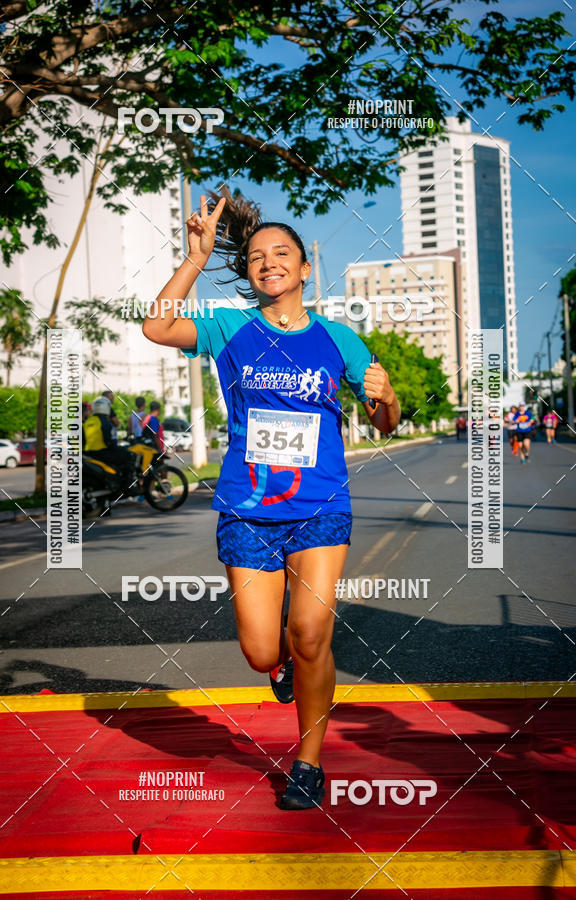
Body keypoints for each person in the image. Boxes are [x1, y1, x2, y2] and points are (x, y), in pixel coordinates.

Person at [142, 188, 401, 810]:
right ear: (250, 271)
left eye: (281, 253)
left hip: (320, 507)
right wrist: (196, 257)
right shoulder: (230, 327)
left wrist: (385, 392)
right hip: (248, 509)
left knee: (311, 633)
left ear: (304, 267)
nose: (268, 263)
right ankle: (281, 667)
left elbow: (385, 421)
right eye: (257, 256)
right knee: (263, 650)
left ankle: (308, 763)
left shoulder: (339, 339)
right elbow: (156, 325)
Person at [83, 396, 134, 482]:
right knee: (129, 455)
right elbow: (108, 441)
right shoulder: (104, 421)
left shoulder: (88, 421)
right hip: (102, 453)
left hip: (89, 453)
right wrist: (119, 448)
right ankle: (127, 483)